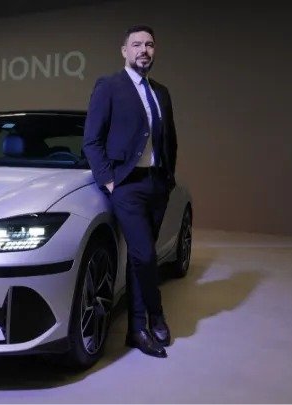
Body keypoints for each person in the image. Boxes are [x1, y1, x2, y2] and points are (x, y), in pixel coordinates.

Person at [82, 24, 178, 358]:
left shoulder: (161, 92)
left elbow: (170, 140)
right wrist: (110, 181)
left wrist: (168, 178)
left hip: (156, 183)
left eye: (149, 45)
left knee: (140, 258)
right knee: (145, 255)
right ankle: (156, 314)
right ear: (124, 51)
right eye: (136, 44)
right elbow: (91, 140)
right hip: (127, 185)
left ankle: (137, 329)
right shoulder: (109, 86)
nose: (143, 50)